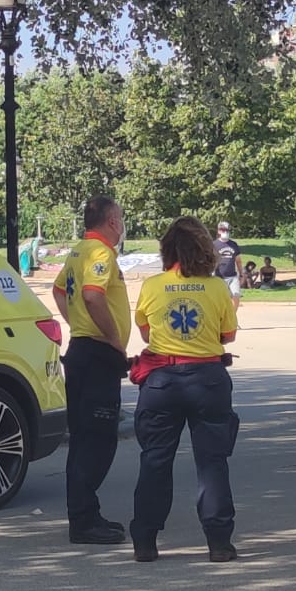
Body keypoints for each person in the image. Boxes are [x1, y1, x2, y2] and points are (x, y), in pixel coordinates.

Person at [127, 217, 241, 562]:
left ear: (167, 250)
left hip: (162, 381)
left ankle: (145, 540)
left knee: (155, 460)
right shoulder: (217, 287)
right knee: (212, 462)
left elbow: (146, 333)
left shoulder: (153, 285)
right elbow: (228, 336)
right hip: (207, 378)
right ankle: (219, 541)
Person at [54, 196, 131, 545]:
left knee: (85, 437)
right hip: (97, 354)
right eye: (121, 219)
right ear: (112, 221)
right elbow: (93, 295)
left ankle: (85, 513)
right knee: (98, 439)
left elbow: (58, 291)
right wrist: (113, 338)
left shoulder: (77, 251)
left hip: (82, 349)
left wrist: (78, 326)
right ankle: (83, 519)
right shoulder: (100, 254)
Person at [213, 221, 242, 297]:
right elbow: (211, 260)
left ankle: (233, 309)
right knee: (221, 297)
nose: (225, 232)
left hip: (232, 276)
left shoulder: (233, 244)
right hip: (219, 277)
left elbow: (238, 261)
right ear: (219, 231)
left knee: (236, 295)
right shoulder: (214, 244)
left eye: (227, 230)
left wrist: (241, 273)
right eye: (223, 230)